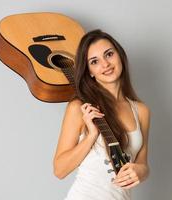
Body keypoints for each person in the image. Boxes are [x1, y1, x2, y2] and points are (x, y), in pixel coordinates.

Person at [53, 29, 151, 200]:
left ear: (119, 55)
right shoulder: (80, 107)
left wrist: (140, 172)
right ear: (89, 71)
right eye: (94, 61)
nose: (105, 64)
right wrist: (91, 135)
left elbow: (142, 163)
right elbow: (60, 170)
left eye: (109, 54)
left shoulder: (141, 111)